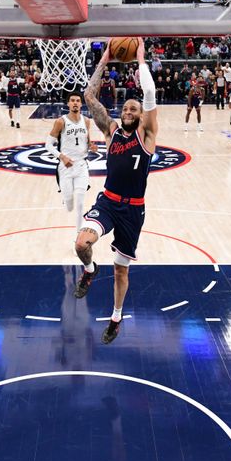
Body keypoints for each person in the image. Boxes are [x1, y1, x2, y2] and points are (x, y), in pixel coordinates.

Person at [78, 37, 159, 344]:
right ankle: (88, 269)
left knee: (121, 271)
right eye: (125, 106)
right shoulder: (111, 132)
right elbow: (89, 95)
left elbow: (149, 92)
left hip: (133, 211)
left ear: (140, 115)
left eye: (133, 108)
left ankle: (115, 317)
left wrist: (140, 58)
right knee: (81, 244)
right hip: (109, 202)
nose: (127, 109)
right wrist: (104, 59)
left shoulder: (147, 135)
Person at [46, 93, 98, 231]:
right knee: (69, 204)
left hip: (81, 165)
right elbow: (48, 145)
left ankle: (78, 239)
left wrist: (91, 147)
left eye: (78, 101)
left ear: (81, 104)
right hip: (65, 167)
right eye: (72, 101)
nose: (75, 103)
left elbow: (87, 142)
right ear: (68, 104)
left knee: (80, 204)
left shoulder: (86, 121)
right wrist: (62, 156)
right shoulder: (60, 122)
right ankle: (66, 197)